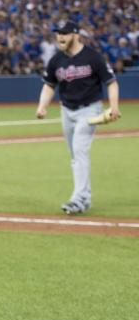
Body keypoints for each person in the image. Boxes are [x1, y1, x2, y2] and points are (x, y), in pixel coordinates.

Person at [36, 21, 120, 215]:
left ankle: (78, 199)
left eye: (64, 33)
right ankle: (85, 198)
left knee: (80, 151)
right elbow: (49, 85)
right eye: (58, 33)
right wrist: (42, 106)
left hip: (90, 110)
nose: (60, 37)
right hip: (67, 111)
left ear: (75, 35)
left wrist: (114, 106)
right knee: (75, 156)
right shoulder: (56, 60)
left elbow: (111, 82)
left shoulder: (93, 57)